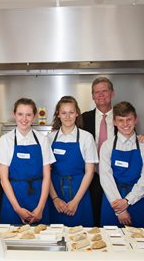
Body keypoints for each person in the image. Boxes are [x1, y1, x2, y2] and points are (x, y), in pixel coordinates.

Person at [0, 98, 55, 224]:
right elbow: (3, 179)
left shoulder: (42, 140)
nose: (24, 119)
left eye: (28, 115)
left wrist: (40, 208)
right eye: (20, 114)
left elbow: (47, 176)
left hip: (38, 198)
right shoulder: (6, 140)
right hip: (13, 199)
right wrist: (17, 209)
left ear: (34, 116)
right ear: (14, 114)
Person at [99, 101, 144, 229]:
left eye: (129, 119)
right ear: (114, 122)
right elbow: (106, 178)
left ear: (135, 120)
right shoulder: (107, 146)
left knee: (140, 243)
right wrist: (120, 210)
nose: (125, 124)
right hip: (112, 200)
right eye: (121, 120)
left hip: (136, 200)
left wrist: (128, 201)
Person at [48, 96, 98, 227]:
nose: (67, 116)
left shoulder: (86, 137)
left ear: (77, 113)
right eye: (63, 112)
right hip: (55, 192)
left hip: (79, 192)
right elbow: (46, 172)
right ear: (58, 115)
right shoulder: (49, 138)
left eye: (71, 112)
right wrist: (55, 199)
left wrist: (75, 201)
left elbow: (89, 172)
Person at [81, 77, 116, 227]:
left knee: (111, 219)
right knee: (92, 219)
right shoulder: (84, 118)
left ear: (112, 93)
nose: (101, 95)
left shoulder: (122, 117)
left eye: (104, 91)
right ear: (93, 96)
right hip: (90, 176)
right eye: (97, 92)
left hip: (115, 176)